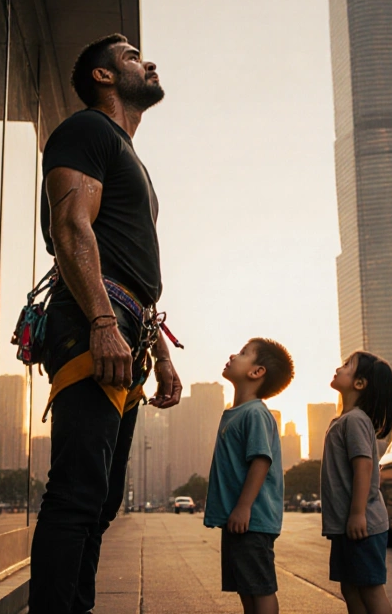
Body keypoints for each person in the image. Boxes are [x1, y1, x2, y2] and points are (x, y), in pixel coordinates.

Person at [29, 33, 184, 614]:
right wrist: (100, 321)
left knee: (101, 498)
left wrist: (161, 355)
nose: (148, 62)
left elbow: (133, 266)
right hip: (95, 320)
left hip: (128, 328)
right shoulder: (87, 130)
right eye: (131, 58)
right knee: (77, 492)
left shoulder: (127, 155)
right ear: (103, 77)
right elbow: (71, 226)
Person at [204, 338, 294, 614]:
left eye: (244, 353)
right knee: (246, 588)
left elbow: (261, 461)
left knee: (260, 588)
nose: (234, 355)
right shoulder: (236, 413)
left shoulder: (255, 413)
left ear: (257, 372)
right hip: (238, 520)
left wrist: (243, 507)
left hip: (251, 520)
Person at [321, 352, 392, 614]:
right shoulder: (345, 420)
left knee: (370, 590)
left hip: (362, 524)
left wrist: (357, 514)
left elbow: (363, 467)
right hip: (348, 525)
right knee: (350, 588)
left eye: (347, 365)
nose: (339, 368)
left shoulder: (355, 420)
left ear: (360, 383)